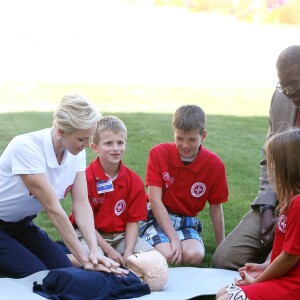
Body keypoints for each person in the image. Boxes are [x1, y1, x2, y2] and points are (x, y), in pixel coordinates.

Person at [0, 94, 123, 278]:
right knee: (39, 277)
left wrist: (94, 251)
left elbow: (81, 205)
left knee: (64, 271)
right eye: (82, 139)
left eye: (89, 138)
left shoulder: (76, 153)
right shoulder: (25, 147)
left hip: (21, 225)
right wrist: (84, 259)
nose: (88, 145)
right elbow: (53, 210)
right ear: (61, 132)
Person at [213, 45, 300, 270]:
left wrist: (289, 219)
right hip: (278, 199)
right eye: (285, 85)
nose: (290, 92)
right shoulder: (281, 98)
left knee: (280, 267)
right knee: (224, 258)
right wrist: (267, 209)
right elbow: (269, 160)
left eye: (295, 84)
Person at [216, 128, 300, 300]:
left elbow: (290, 258)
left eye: (274, 163)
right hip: (282, 276)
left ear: (287, 167)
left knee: (226, 298)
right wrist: (264, 266)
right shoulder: (289, 199)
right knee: (221, 293)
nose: (271, 168)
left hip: (292, 285)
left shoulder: (298, 205)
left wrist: (257, 282)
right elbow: (284, 252)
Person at [139, 104, 228, 266]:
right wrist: (174, 239)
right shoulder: (158, 153)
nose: (185, 145)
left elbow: (215, 208)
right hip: (156, 216)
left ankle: (172, 241)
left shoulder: (214, 164)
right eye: (179, 138)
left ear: (204, 136)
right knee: (169, 255)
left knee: (194, 256)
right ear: (174, 133)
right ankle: (143, 241)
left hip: (186, 221)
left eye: (192, 139)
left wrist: (222, 248)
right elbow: (155, 201)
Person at [68, 116, 153, 267]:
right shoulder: (84, 179)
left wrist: (128, 251)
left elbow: (132, 221)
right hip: (90, 235)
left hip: (121, 237)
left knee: (153, 260)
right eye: (108, 143)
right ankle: (68, 258)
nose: (115, 148)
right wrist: (109, 251)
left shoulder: (133, 181)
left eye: (120, 143)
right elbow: (85, 224)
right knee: (99, 262)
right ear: (95, 148)